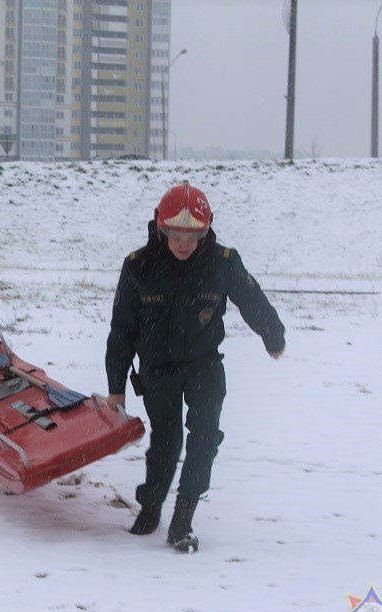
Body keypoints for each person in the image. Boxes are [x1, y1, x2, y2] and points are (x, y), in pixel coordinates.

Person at [105, 182, 285, 552]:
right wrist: (116, 385)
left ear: (206, 230)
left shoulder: (222, 262)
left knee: (204, 437)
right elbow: (122, 329)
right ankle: (151, 506)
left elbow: (251, 298)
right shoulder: (139, 265)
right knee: (166, 441)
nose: (184, 243)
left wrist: (273, 335)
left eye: (193, 235)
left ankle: (183, 520)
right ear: (161, 227)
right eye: (175, 233)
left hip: (204, 364)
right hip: (156, 369)